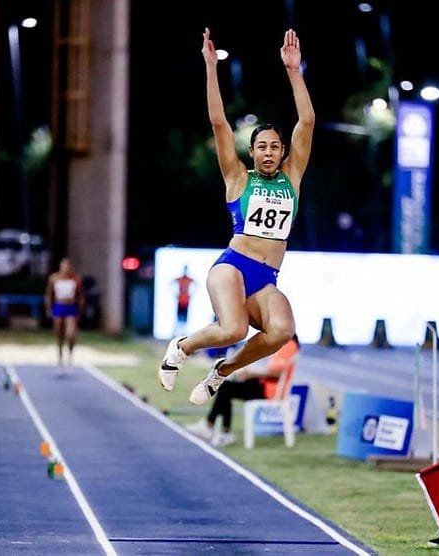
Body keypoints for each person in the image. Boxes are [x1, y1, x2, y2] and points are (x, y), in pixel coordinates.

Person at [158, 27, 314, 406]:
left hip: (267, 276)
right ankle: (182, 347)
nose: (269, 152)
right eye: (261, 146)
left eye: (276, 146)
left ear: (282, 153)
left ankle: (222, 373)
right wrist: (211, 68)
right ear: (252, 150)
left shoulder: (292, 178)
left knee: (281, 331)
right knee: (233, 328)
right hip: (233, 265)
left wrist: (295, 71)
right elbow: (219, 123)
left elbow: (306, 123)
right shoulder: (237, 177)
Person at [185, 334, 300, 447]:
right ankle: (214, 428)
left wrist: (253, 374)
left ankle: (216, 428)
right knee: (226, 386)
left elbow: (277, 374)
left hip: (269, 391)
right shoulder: (284, 344)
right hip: (266, 386)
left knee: (226, 388)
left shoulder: (288, 345)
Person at [45, 257, 85, 368]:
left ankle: (70, 353)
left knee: (71, 334)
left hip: (71, 307)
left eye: (67, 266)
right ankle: (60, 354)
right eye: (63, 266)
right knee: (59, 333)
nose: (65, 268)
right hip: (58, 306)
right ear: (60, 267)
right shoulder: (54, 278)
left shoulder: (75, 279)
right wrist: (48, 308)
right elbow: (49, 295)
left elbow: (81, 296)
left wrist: (80, 309)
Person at [172, 265, 195, 337]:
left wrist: (191, 293)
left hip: (186, 301)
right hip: (180, 300)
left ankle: (183, 333)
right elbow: (171, 283)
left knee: (185, 317)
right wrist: (175, 293)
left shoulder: (189, 279)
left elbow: (197, 284)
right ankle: (176, 332)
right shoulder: (180, 279)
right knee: (178, 317)